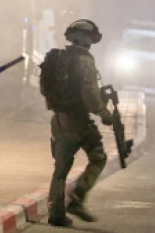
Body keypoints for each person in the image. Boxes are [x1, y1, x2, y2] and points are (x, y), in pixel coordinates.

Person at [44, 19, 112, 227]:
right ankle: (77, 198)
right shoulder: (85, 60)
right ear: (84, 37)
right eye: (90, 37)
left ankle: (56, 214)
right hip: (79, 121)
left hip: (59, 119)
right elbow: (89, 91)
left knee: (61, 169)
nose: (91, 41)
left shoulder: (59, 58)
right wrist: (102, 111)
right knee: (98, 157)